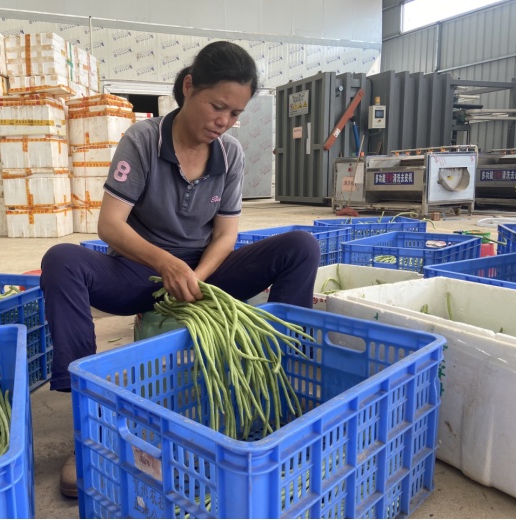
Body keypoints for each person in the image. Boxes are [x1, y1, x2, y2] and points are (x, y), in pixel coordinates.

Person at [40, 40, 320, 498]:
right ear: (189, 87)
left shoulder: (229, 155)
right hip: (139, 273)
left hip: (203, 274)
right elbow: (109, 224)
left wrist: (198, 277)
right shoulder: (143, 140)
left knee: (301, 246)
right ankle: (84, 425)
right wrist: (166, 264)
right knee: (62, 261)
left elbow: (226, 235)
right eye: (217, 106)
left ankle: (277, 387)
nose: (224, 122)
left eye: (234, 114)